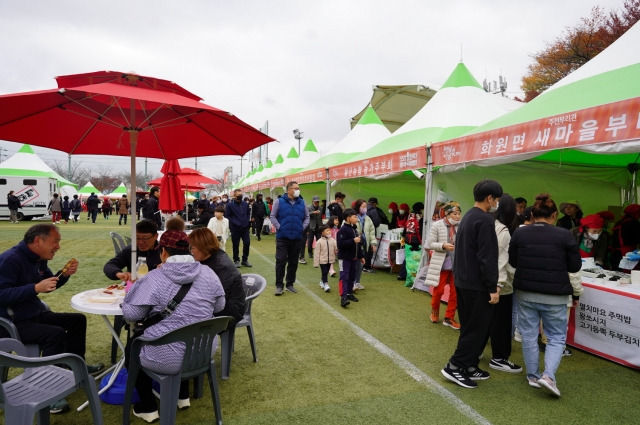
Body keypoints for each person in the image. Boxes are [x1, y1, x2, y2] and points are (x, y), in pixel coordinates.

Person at [122, 229, 225, 421]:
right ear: (189, 250)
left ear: (163, 252)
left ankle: (148, 407)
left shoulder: (155, 277)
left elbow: (132, 314)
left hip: (167, 358)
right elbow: (220, 306)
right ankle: (182, 396)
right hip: (202, 353)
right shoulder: (208, 272)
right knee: (184, 330)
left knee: (134, 346)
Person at [0, 224, 105, 414]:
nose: (58, 247)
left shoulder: (38, 258)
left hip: (33, 314)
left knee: (77, 320)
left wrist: (63, 276)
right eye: (55, 241)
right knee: (54, 334)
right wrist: (33, 289)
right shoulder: (10, 259)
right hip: (11, 323)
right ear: (38, 241)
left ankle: (75, 366)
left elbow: (49, 284)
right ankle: (48, 390)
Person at [509, 193, 582, 397]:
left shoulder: (520, 234)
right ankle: (548, 376)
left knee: (529, 335)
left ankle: (533, 376)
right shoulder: (564, 235)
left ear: (532, 213)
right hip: (555, 294)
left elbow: (513, 262)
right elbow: (575, 266)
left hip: (525, 292)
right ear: (554, 215)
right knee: (556, 337)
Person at [441, 179, 502, 389]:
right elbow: (487, 257)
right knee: (476, 329)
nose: (497, 203)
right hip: (476, 285)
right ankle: (455, 366)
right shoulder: (484, 220)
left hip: (464, 281)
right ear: (490, 198)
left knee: (470, 327)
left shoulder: (467, 215)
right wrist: (493, 288)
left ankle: (468, 365)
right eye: (497, 199)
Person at [483, 194, 523, 373]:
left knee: (485, 320)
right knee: (501, 322)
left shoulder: (485, 224)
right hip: (499, 285)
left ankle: (476, 352)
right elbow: (500, 260)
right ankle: (499, 357)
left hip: (482, 281)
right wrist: (497, 286)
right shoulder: (503, 230)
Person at [188, 227, 246, 323]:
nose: (191, 252)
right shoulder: (209, 257)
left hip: (230, 311)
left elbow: (217, 299)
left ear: (203, 247)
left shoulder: (222, 267)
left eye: (192, 248)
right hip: (219, 304)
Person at [425, 201, 461, 330]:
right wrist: (443, 245)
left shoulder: (461, 226)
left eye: (459, 214)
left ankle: (449, 317)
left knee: (455, 292)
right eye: (455, 214)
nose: (457, 217)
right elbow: (430, 244)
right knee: (438, 290)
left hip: (457, 264)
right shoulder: (437, 225)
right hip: (441, 263)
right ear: (447, 214)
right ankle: (434, 311)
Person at [270, 181, 309, 295]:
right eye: (296, 188)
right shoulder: (280, 202)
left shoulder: (302, 202)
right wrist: (279, 227)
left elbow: (307, 217)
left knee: (293, 262)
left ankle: (290, 284)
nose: (298, 190)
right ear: (289, 190)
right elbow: (273, 216)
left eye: (298, 188)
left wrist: (302, 227)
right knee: (281, 260)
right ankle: (279, 285)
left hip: (297, 237)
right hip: (282, 237)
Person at [337, 208, 365, 307]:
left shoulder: (354, 229)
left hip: (354, 258)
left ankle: (349, 293)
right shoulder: (343, 230)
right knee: (344, 277)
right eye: (354, 217)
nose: (357, 218)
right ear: (348, 219)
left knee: (352, 276)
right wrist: (353, 240)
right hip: (344, 258)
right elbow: (340, 244)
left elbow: (358, 245)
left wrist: (361, 256)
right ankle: (343, 297)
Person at [353, 199, 377, 289]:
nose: (365, 208)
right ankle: (352, 283)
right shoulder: (352, 217)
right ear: (358, 207)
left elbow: (371, 232)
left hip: (363, 244)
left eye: (365, 206)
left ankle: (357, 282)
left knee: (360, 265)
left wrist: (373, 243)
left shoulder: (367, 218)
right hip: (354, 245)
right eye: (363, 206)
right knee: (353, 265)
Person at [225, 189, 252, 267]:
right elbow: (227, 216)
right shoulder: (230, 205)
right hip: (235, 228)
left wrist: (247, 221)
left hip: (245, 228)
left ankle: (245, 260)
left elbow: (248, 213)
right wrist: (234, 223)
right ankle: (236, 260)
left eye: (241, 194)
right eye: (238, 195)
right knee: (235, 244)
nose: (240, 196)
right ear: (234, 195)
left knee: (247, 243)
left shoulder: (245, 204)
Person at [610, 204, 640, 271]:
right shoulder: (633, 223)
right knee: (627, 277)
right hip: (626, 254)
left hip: (615, 254)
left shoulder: (619, 222)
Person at [314, 224, 338, 293]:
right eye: (327, 231)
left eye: (329, 230)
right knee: (324, 272)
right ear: (322, 233)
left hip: (330, 260)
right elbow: (316, 253)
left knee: (326, 271)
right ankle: (326, 284)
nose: (329, 232)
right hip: (322, 260)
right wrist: (316, 263)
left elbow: (336, 248)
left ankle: (322, 281)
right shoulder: (319, 242)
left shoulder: (333, 240)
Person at [303, 195, 323, 261]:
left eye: (318, 202)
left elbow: (320, 217)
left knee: (319, 240)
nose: (317, 203)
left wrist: (321, 225)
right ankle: (310, 253)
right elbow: (306, 214)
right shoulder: (308, 207)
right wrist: (313, 212)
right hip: (311, 226)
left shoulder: (320, 208)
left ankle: (318, 252)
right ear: (312, 201)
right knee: (310, 240)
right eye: (315, 202)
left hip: (318, 226)